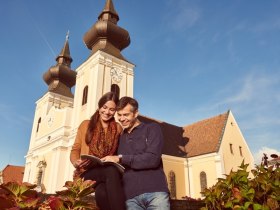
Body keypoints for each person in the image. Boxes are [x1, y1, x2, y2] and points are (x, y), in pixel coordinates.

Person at [103, 96, 170, 210]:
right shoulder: (120, 138)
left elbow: (152, 159)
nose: (122, 119)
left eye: (126, 115)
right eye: (119, 115)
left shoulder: (152, 128)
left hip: (156, 193)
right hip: (130, 198)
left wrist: (121, 158)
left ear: (136, 113)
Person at [70, 92, 126, 210]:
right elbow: (75, 149)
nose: (107, 112)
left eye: (112, 109)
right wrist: (76, 162)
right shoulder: (86, 124)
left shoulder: (118, 128)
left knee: (102, 193)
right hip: (86, 174)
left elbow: (120, 153)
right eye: (104, 107)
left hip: (107, 176)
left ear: (115, 111)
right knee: (110, 171)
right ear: (99, 107)